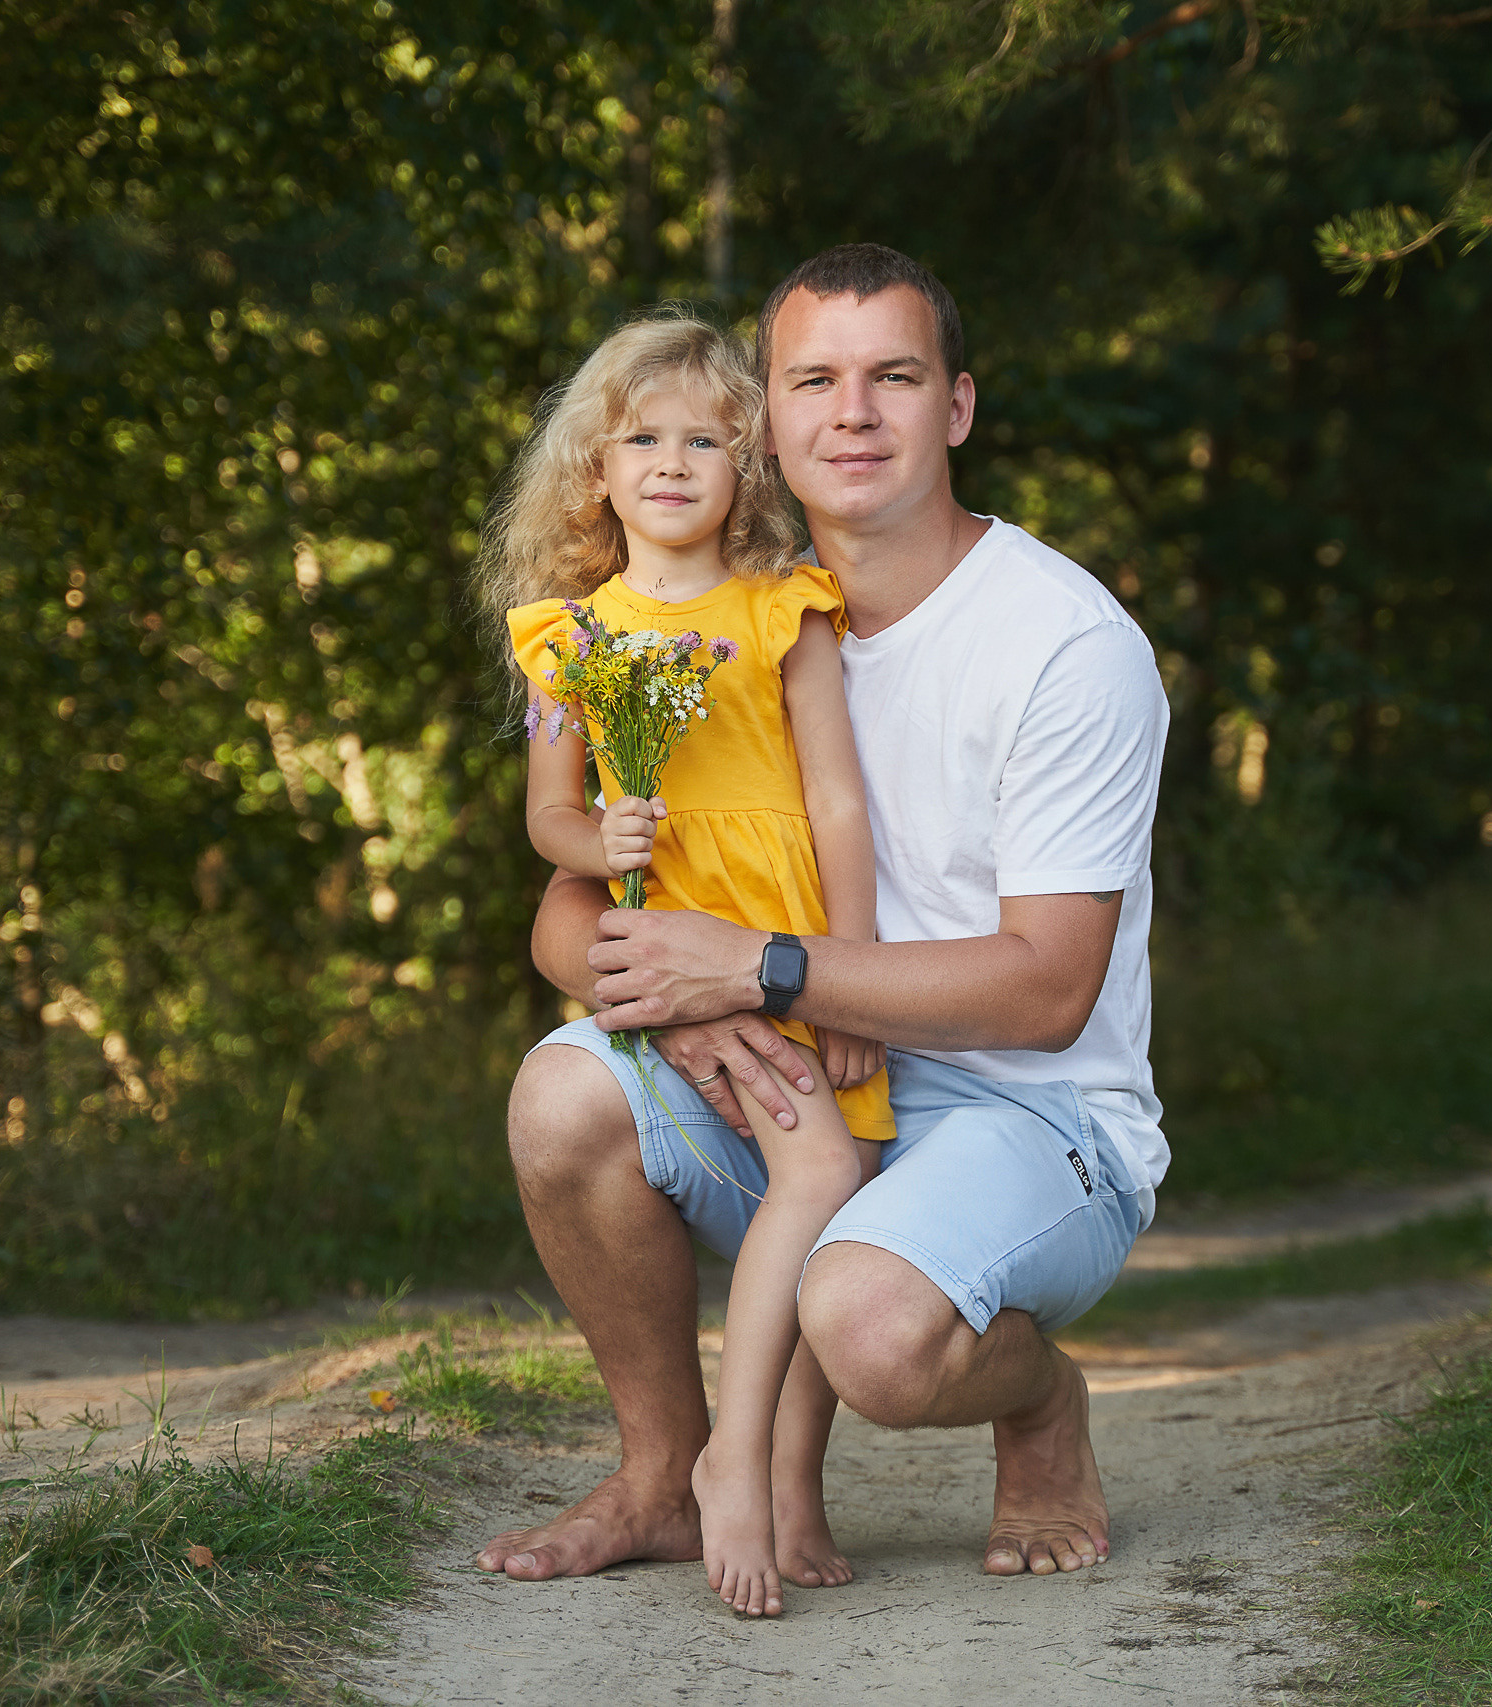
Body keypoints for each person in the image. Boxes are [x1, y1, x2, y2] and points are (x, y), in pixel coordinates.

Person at [479, 243, 1168, 1589]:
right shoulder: (708, 624)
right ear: (768, 423)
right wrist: (672, 1005)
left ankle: (1039, 1400)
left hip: (1032, 1113)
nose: (853, 413)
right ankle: (663, 1477)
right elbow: (570, 907)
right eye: (815, 381)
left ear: (955, 408)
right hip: (801, 1070)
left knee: (875, 1332)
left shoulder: (1062, 645)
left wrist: (761, 969)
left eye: (893, 378)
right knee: (561, 1098)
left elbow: (1048, 992)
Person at [479, 312, 894, 1618]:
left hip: (782, 946)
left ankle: (773, 1475)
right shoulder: (570, 640)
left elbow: (837, 803)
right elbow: (549, 817)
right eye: (642, 440)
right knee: (818, 1174)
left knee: (828, 1183)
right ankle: (727, 1464)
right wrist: (598, 838)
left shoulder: (785, 612)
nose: (671, 462)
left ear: (746, 468)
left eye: (705, 441)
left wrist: (845, 971)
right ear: (595, 474)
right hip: (671, 952)